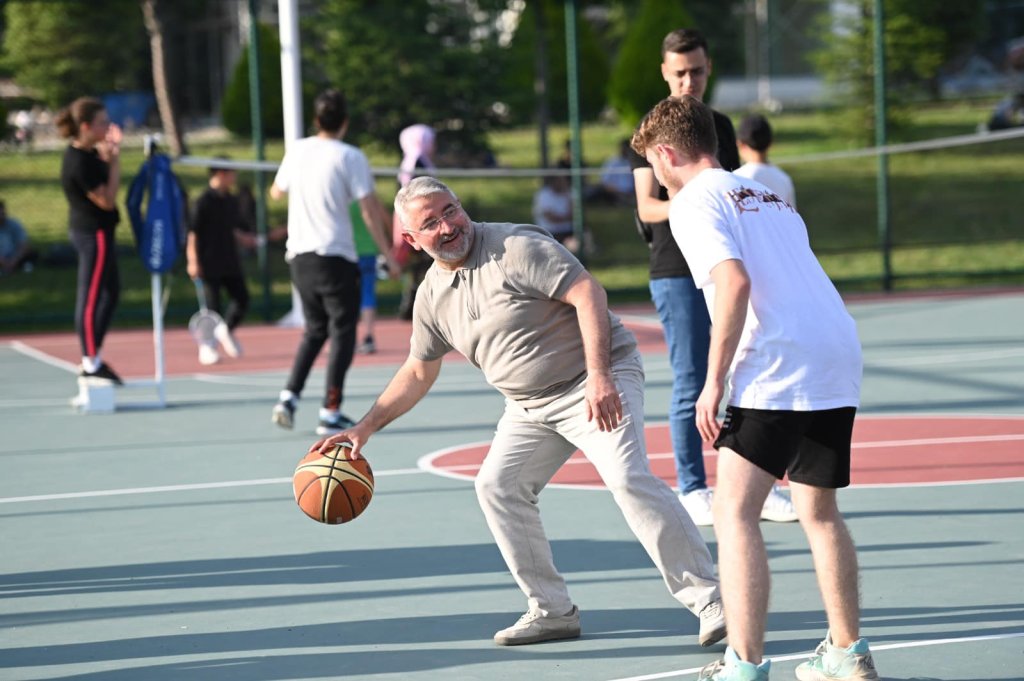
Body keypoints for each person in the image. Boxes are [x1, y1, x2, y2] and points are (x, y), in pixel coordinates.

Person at [310, 176, 727, 649]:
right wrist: (364, 427)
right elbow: (418, 372)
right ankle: (552, 611)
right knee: (496, 486)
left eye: (451, 210)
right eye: (431, 222)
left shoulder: (516, 246)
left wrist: (599, 376)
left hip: (594, 379)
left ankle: (710, 598)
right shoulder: (430, 297)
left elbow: (587, 294)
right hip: (529, 406)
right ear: (410, 240)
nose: (448, 225)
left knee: (628, 479)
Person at [632, 95, 877, 681]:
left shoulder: (692, 202)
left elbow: (733, 283)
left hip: (775, 362)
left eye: (653, 164)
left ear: (667, 154)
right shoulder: (767, 194)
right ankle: (848, 653)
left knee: (734, 512)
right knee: (819, 512)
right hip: (835, 353)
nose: (657, 177)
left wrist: (712, 382)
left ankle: (743, 666)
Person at [629, 28, 795, 527]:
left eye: (696, 71)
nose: (688, 81)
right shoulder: (651, 129)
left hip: (728, 264)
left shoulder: (720, 125)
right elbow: (647, 205)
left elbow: (734, 196)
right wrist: (697, 197)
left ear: (708, 68)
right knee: (691, 379)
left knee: (747, 368)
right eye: (679, 72)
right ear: (663, 72)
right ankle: (693, 487)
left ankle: (755, 483)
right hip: (676, 271)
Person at [269, 89, 397, 435]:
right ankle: (330, 409)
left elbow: (275, 191)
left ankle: (288, 397)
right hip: (334, 255)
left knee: (315, 330)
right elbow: (370, 209)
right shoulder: (350, 156)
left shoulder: (298, 150)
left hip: (299, 257)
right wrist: (388, 254)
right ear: (345, 122)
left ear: (316, 120)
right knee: (342, 331)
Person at [57, 96, 124, 385]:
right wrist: (116, 162)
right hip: (91, 233)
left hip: (102, 231)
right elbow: (107, 201)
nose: (107, 127)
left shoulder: (90, 154)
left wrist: (107, 156)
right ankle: (90, 360)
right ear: (85, 127)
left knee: (112, 293)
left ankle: (93, 355)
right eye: (102, 123)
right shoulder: (77, 163)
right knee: (91, 298)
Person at [186, 160, 256, 365]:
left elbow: (232, 229)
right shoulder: (202, 202)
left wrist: (246, 239)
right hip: (208, 262)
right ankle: (207, 348)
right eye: (231, 173)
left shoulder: (231, 201)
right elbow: (193, 234)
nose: (234, 177)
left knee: (242, 298)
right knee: (211, 307)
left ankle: (225, 330)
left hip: (230, 260)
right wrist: (192, 261)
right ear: (220, 173)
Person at [395, 123, 437, 320]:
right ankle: (416, 305)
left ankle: (412, 304)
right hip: (420, 223)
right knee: (421, 265)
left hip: (413, 222)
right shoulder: (418, 163)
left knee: (417, 267)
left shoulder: (409, 162)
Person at [734, 114, 796, 208]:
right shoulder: (783, 179)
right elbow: (792, 215)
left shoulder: (736, 178)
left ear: (740, 144)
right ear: (770, 143)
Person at [350, 200, 380, 354]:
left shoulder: (341, 198)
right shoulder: (367, 198)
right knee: (367, 294)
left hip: (347, 253)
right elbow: (379, 219)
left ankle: (349, 339)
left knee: (347, 296)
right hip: (368, 251)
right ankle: (368, 336)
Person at [532, 173, 576, 249]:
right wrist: (567, 217)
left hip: (570, 230)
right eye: (559, 180)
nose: (563, 183)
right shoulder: (543, 194)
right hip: (550, 233)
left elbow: (575, 214)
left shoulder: (571, 192)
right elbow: (551, 218)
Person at [588, 138, 635, 205]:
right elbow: (605, 183)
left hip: (632, 193)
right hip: (615, 193)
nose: (626, 150)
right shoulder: (612, 162)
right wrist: (619, 192)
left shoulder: (633, 162)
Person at [0, 200, 39, 274]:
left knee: (31, 252)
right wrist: (3, 262)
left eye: (2, 213)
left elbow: (23, 244)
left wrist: (13, 261)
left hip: (14, 255)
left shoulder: (14, 224)